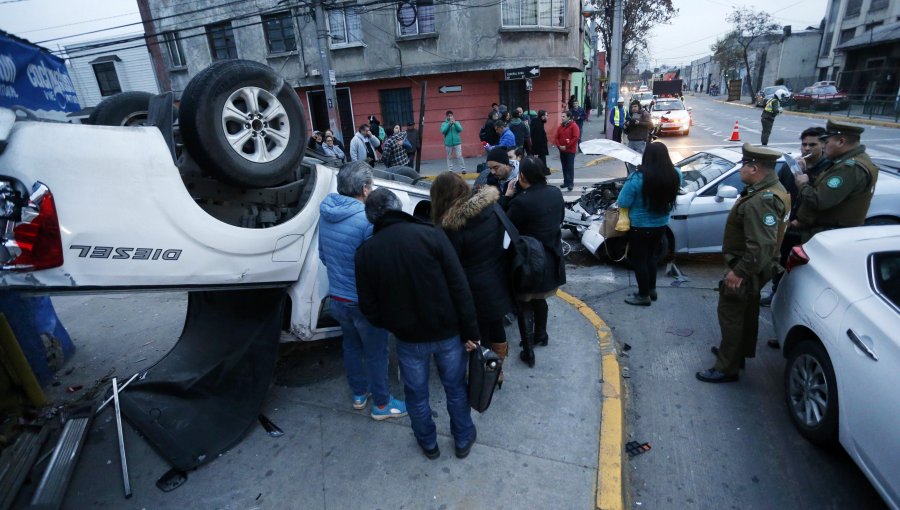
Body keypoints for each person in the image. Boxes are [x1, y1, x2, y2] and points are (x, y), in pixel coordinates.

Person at [355, 188, 480, 460]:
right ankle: (462, 438)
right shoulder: (431, 235)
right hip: (447, 332)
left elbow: (369, 308)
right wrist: (471, 331)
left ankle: (428, 443)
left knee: (417, 395)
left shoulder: (366, 252)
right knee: (455, 388)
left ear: (371, 218)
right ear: (399, 207)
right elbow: (460, 287)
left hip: (409, 338)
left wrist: (395, 324)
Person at [318, 162, 408, 418]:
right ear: (364, 188)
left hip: (338, 297)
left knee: (351, 346)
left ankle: (359, 394)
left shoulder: (326, 213)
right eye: (371, 184)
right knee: (377, 351)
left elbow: (323, 256)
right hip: (363, 302)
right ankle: (382, 404)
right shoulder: (366, 219)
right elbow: (376, 266)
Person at [697, 143, 790, 383]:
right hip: (757, 266)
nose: (740, 171)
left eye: (743, 166)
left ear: (755, 168)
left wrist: (739, 272)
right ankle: (735, 354)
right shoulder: (771, 190)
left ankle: (727, 367)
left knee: (731, 315)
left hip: (748, 267)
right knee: (745, 313)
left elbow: (760, 245)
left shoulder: (762, 200)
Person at [431, 173, 514, 386]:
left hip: (472, 288)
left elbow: (451, 265)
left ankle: (485, 372)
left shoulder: (451, 226)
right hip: (497, 278)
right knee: (496, 325)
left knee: (479, 333)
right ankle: (498, 369)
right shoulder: (491, 207)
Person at [505, 157, 566, 367]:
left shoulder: (521, 202)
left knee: (524, 303)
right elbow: (559, 219)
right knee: (541, 299)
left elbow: (507, 225)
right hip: (552, 257)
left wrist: (507, 197)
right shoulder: (555, 193)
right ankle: (541, 334)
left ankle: (528, 348)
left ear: (521, 176)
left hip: (530, 261)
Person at [760, 126, 830, 310]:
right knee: (781, 261)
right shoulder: (791, 166)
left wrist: (806, 178)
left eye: (812, 145)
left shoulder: (827, 170)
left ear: (823, 145)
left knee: (800, 270)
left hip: (807, 230)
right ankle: (776, 292)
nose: (806, 149)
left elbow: (820, 201)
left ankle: (795, 303)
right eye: (804, 144)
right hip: (786, 225)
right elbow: (779, 190)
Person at [617, 142, 682, 306]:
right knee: (652, 257)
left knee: (640, 260)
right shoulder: (676, 174)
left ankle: (643, 295)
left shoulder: (637, 178)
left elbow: (623, 201)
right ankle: (651, 289)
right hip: (661, 224)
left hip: (639, 226)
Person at [793, 119, 879, 244]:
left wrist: (803, 185)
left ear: (841, 141)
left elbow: (819, 200)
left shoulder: (849, 168)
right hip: (827, 232)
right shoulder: (851, 161)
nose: (823, 146)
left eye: (826, 142)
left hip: (827, 235)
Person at [555, 110, 580, 191]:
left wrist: (566, 146)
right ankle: (566, 182)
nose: (562, 118)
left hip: (570, 151)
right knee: (564, 167)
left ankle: (570, 183)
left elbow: (575, 138)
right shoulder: (561, 126)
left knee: (570, 167)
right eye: (561, 116)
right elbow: (556, 138)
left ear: (568, 117)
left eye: (563, 116)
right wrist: (559, 146)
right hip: (562, 150)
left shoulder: (574, 126)